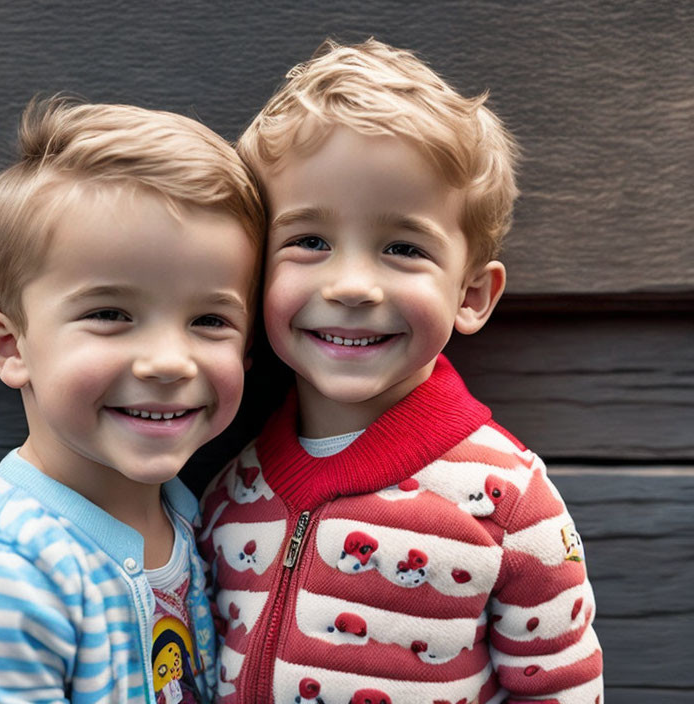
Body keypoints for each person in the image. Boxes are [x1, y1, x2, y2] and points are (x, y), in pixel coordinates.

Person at [199, 39, 603, 703]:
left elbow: (562, 687)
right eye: (309, 241)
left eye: (402, 247)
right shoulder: (229, 495)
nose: (353, 284)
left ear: (471, 294)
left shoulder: (508, 503)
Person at [0, 96, 264, 703]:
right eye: (110, 314)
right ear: (12, 345)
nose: (170, 361)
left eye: (209, 320)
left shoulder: (191, 515)